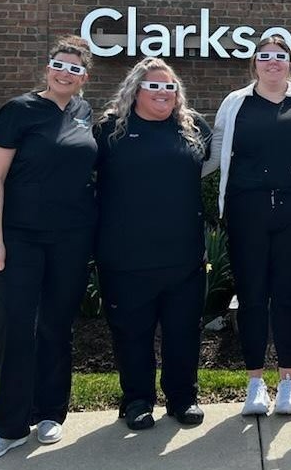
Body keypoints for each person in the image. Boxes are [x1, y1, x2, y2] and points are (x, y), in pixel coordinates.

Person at [0, 36, 98, 463]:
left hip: (72, 238)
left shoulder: (84, 113)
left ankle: (50, 413)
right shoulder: (18, 110)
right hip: (21, 237)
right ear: (48, 68)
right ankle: (9, 427)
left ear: (84, 77)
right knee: (16, 327)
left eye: (75, 68)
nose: (65, 73)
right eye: (59, 64)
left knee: (57, 326)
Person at [203, 37, 291, 416]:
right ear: (254, 63)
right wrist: (173, 174)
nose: (273, 62)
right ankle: (255, 383)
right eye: (265, 56)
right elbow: (215, 152)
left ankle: (288, 381)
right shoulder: (235, 102)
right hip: (247, 211)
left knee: (288, 296)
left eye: (280, 56)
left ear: (290, 63)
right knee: (252, 296)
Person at [94, 58, 212, 430]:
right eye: (153, 86)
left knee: (183, 331)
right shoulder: (109, 131)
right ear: (135, 91)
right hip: (125, 256)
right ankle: (137, 400)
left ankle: (183, 398)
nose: (163, 93)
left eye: (169, 87)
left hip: (184, 256)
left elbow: (207, 164)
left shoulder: (194, 128)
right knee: (132, 334)